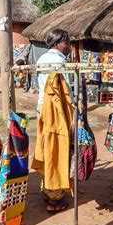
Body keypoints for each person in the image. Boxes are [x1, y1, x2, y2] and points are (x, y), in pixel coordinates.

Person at [33, 28, 72, 213]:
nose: (69, 46)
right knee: (58, 153)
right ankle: (54, 199)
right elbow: (67, 92)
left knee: (47, 151)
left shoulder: (41, 59)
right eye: (67, 42)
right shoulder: (59, 61)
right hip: (57, 113)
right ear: (57, 43)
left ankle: (48, 190)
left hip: (43, 110)